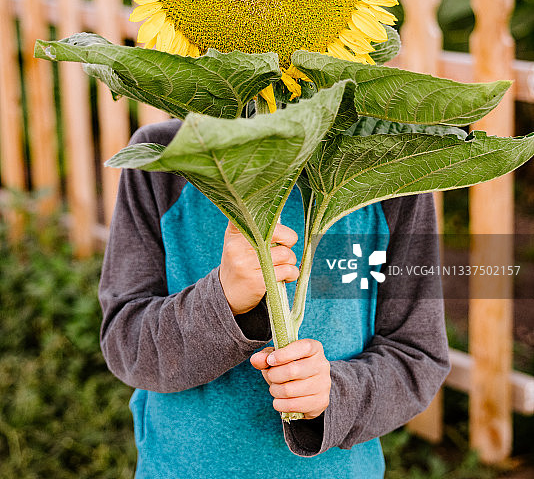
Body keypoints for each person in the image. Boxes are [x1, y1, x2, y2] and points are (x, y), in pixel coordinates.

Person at [98, 119, 450, 479]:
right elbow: (126, 341)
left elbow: (417, 355)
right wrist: (224, 300)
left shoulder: (389, 164)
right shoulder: (166, 157)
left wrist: (334, 393)